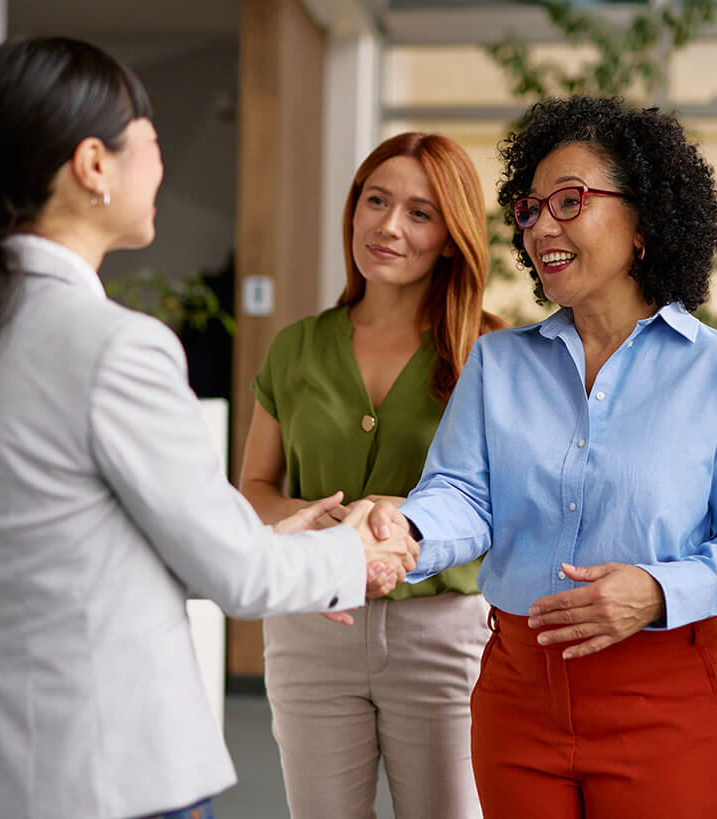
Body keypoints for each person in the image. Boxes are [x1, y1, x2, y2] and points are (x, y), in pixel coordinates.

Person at [0, 37, 416, 819]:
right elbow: (238, 577)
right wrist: (356, 551)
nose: (159, 163)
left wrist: (284, 540)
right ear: (93, 164)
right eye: (149, 141)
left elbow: (81, 553)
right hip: (105, 774)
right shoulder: (116, 345)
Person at [367, 96, 717, 819]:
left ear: (644, 223)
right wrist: (406, 533)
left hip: (668, 697)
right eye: (530, 208)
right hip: (517, 692)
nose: (542, 225)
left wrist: (657, 590)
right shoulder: (498, 363)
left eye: (569, 201)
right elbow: (463, 496)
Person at [239, 132, 504, 819]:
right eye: (375, 200)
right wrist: (326, 524)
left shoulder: (494, 353)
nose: (388, 225)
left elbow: (511, 503)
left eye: (419, 212)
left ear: (451, 236)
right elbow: (254, 489)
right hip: (311, 627)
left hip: (445, 635)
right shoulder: (297, 345)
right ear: (353, 210)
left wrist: (403, 521)